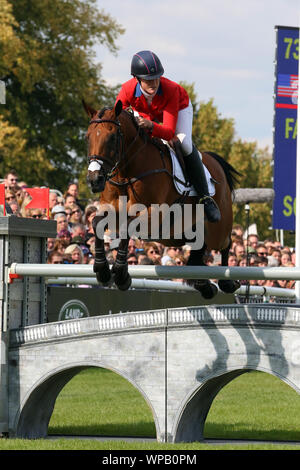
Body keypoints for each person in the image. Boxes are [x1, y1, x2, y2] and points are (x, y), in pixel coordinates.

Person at [116, 50, 220, 223]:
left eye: (157, 77)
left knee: (184, 143)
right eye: (148, 79)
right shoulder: (126, 90)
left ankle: (204, 197)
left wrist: (150, 125)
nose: (154, 83)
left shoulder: (171, 90)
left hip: (179, 107)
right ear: (137, 79)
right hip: (147, 113)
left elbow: (169, 132)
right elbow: (116, 117)